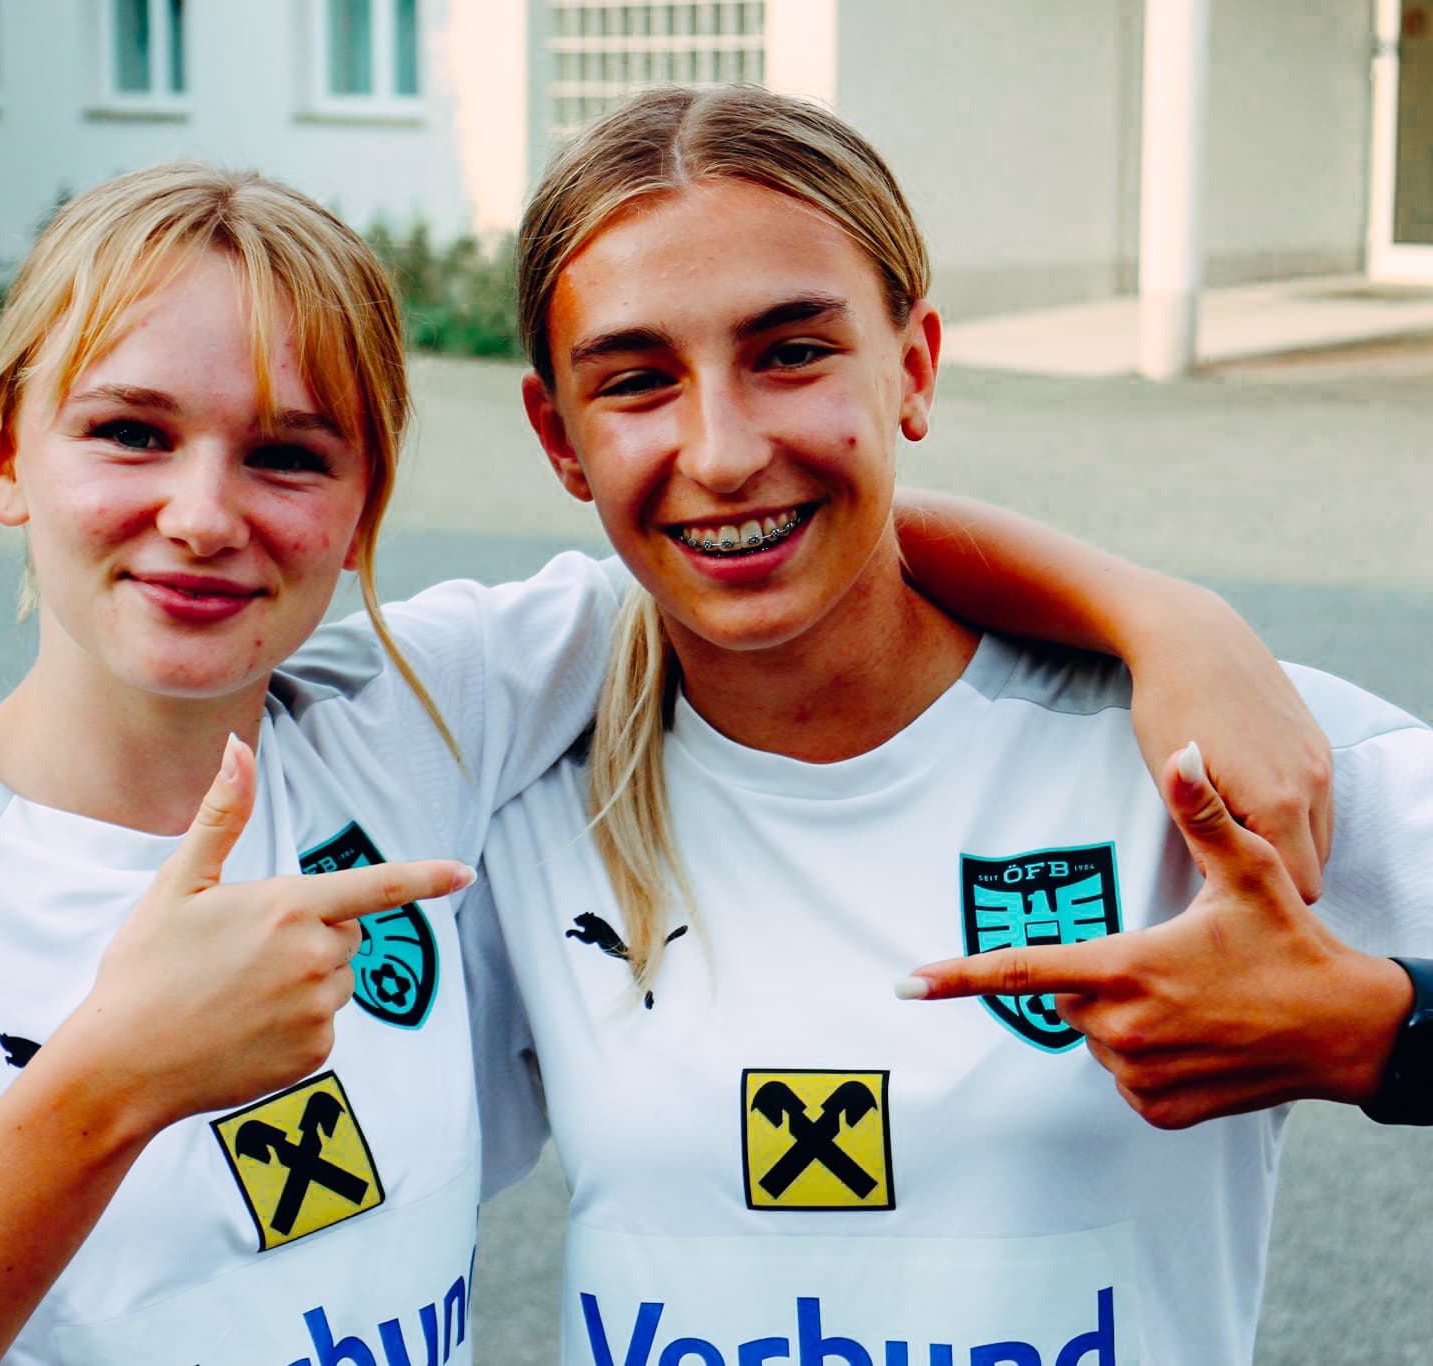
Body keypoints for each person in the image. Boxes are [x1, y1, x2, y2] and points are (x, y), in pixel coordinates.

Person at [0, 161, 1332, 1366]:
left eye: (289, 454)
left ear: (362, 506)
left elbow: (770, 526)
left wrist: (1159, 616)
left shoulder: (417, 714)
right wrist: (105, 1087)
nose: (203, 513)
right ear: (8, 455)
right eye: (130, 431)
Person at [466, 84, 1433, 1366]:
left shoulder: (1203, 749)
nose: (722, 452)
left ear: (911, 367)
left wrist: (1380, 1033)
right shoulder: (513, 790)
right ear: (558, 436)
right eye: (637, 380)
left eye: (789, 353)